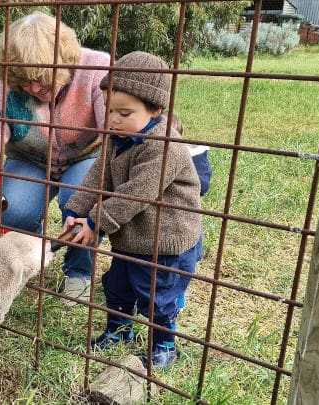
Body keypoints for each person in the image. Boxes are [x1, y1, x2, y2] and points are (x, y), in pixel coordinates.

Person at [61, 51, 203, 370]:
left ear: (155, 109)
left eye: (124, 113)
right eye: (110, 110)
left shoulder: (164, 146)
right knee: (117, 285)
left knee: (157, 297)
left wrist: (96, 222)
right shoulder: (119, 137)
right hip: (132, 238)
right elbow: (100, 173)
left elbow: (137, 193)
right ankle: (120, 330)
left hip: (164, 242)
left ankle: (164, 344)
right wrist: (77, 207)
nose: (112, 120)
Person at [0, 12, 110, 304]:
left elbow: (115, 136)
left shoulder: (96, 69)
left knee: (83, 200)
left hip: (85, 156)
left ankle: (78, 270)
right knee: (12, 208)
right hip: (30, 159)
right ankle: (32, 250)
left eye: (41, 79)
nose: (33, 88)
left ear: (65, 61)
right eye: (23, 82)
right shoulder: (5, 84)